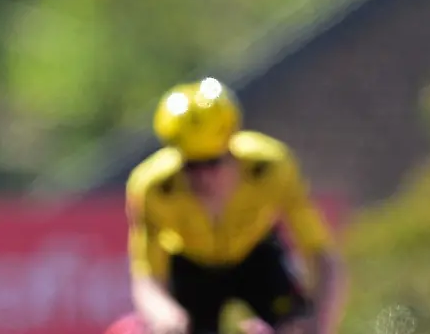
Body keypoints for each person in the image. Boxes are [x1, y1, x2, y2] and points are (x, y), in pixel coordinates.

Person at [123, 78, 346, 334]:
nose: (203, 177)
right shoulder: (153, 187)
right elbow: (147, 277)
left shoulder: (270, 166)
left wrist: (319, 324)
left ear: (232, 147)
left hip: (257, 256)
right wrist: (164, 316)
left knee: (295, 327)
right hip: (190, 266)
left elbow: (321, 254)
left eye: (213, 162)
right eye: (191, 166)